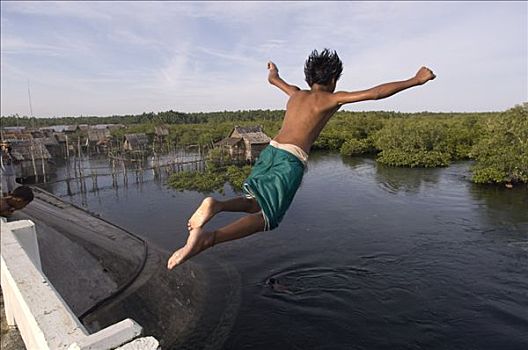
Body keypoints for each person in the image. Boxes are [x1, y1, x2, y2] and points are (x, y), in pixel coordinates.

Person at [167, 49, 436, 269]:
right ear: (333, 80)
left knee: (254, 203)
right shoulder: (331, 99)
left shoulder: (295, 94)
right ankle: (209, 239)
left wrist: (272, 71)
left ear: (309, 79)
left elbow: (273, 80)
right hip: (289, 161)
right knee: (269, 217)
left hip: (270, 151)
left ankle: (219, 205)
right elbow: (375, 93)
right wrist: (416, 80)